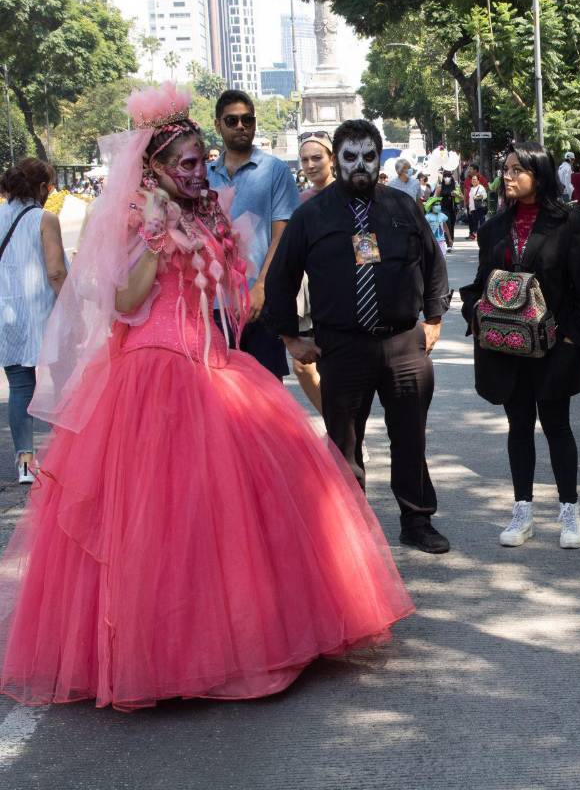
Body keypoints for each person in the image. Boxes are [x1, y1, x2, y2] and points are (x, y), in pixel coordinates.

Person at [0, 84, 414, 710]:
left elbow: (229, 290)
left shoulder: (210, 213)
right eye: (185, 164)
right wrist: (163, 236)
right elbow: (127, 301)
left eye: (199, 162)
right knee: (157, 516)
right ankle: (155, 652)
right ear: (156, 170)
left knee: (231, 509)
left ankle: (242, 635)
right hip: (152, 371)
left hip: (213, 362)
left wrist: (220, 249)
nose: (198, 172)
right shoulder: (141, 217)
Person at [265, 119, 452, 555]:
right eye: (350, 157)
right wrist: (291, 338)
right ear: (337, 159)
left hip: (404, 342)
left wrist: (434, 317)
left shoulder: (403, 208)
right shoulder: (311, 215)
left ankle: (417, 519)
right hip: (342, 347)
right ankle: (353, 527)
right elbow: (281, 278)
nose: (360, 165)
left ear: (378, 156)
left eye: (368, 156)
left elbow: (433, 261)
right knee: (345, 441)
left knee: (411, 435)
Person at [460, 143, 580, 548]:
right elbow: (477, 286)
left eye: (515, 170)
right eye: (504, 169)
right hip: (505, 350)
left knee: (557, 426)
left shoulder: (571, 224)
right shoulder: (492, 228)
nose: (506, 176)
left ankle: (570, 512)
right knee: (518, 427)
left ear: (538, 175)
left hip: (554, 349)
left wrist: (573, 339)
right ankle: (522, 510)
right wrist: (477, 311)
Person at [207, 89, 300, 378]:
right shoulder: (203, 175)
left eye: (247, 119)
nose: (240, 126)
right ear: (217, 125)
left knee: (266, 392)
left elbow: (282, 235)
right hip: (211, 304)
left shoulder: (274, 171)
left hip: (259, 302)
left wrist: (261, 287)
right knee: (220, 395)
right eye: (232, 120)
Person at [0, 159, 67, 484]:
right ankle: (69, 456)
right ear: (42, 188)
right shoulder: (45, 218)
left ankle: (25, 465)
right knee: (61, 382)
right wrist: (75, 305)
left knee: (20, 388)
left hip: (8, 315)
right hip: (45, 314)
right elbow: (55, 271)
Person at [292, 131, 336, 414]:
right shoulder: (299, 200)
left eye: (317, 157)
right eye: (305, 159)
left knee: (339, 367)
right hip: (306, 290)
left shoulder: (349, 194)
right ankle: (336, 425)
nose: (310, 165)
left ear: (332, 158)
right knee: (302, 365)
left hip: (342, 290)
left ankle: (346, 433)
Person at [436, 167, 458, 251]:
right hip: (443, 208)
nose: (447, 178)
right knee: (447, 225)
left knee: (452, 226)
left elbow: (461, 197)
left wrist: (456, 194)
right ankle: (448, 243)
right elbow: (435, 197)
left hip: (453, 208)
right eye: (445, 176)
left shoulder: (455, 185)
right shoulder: (440, 186)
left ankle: (451, 242)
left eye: (448, 176)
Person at [467, 173, 488, 239]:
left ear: (478, 181)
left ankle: (482, 234)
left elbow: (485, 196)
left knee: (481, 221)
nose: (473, 181)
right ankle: (476, 234)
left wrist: (478, 197)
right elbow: (470, 199)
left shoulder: (481, 187)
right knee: (474, 222)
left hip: (480, 207)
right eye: (472, 179)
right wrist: (470, 209)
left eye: (475, 179)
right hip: (473, 208)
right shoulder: (471, 189)